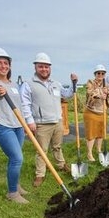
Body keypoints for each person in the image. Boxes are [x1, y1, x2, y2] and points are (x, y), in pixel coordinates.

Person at [20, 52, 77, 187]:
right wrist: (29, 121)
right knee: (41, 151)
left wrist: (73, 83)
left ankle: (61, 165)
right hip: (41, 124)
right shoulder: (28, 84)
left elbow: (67, 94)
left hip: (57, 121)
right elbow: (24, 104)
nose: (44, 69)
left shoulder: (55, 84)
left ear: (50, 68)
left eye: (46, 67)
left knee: (57, 147)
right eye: (41, 67)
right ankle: (40, 174)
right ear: (35, 67)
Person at [0, 47, 29, 203]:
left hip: (18, 125)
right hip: (1, 124)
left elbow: (20, 105)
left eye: (6, 63)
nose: (3, 66)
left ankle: (15, 184)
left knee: (15, 158)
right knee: (17, 158)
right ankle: (12, 193)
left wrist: (26, 125)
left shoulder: (13, 84)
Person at [84, 64, 109, 162]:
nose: (100, 75)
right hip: (91, 112)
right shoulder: (90, 82)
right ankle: (89, 153)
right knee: (91, 133)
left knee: (101, 132)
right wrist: (100, 95)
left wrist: (108, 93)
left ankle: (99, 150)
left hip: (102, 112)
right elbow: (90, 93)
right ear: (95, 74)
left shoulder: (105, 84)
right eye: (98, 73)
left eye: (102, 73)